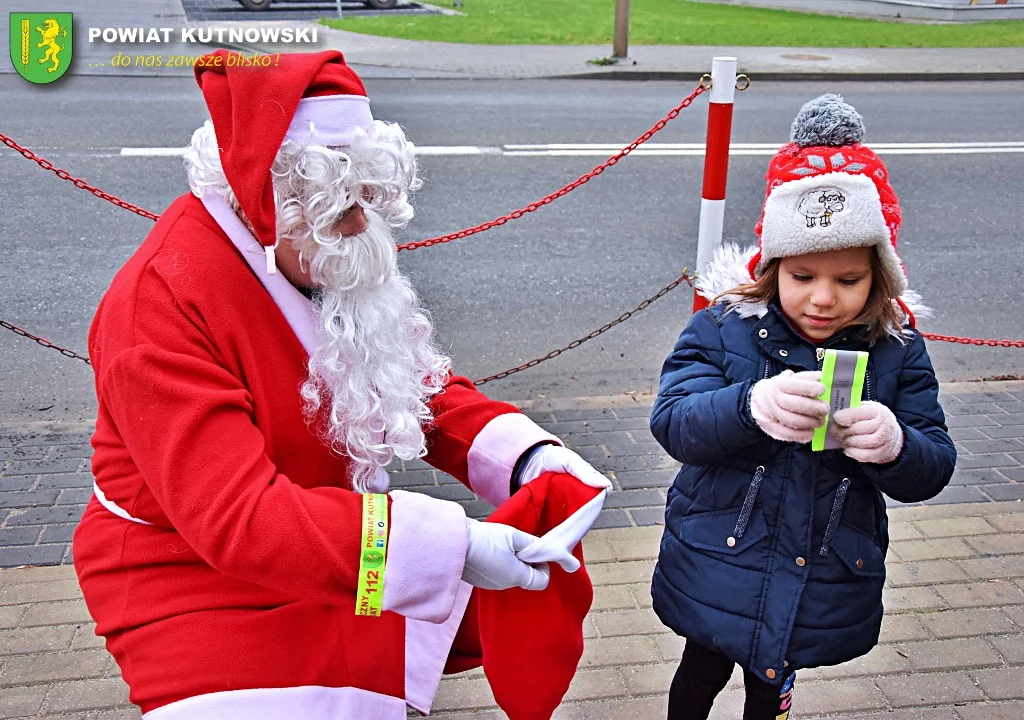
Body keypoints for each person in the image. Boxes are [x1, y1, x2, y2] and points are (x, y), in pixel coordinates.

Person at [73, 49, 609, 719]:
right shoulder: (160, 302)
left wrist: (528, 456)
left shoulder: (304, 252)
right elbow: (240, 520)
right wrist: (456, 545)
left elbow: (406, 382)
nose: (362, 227)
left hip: (309, 536)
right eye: (338, 211)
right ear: (263, 202)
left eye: (367, 202)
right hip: (180, 568)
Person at [649, 94, 956, 720]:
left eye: (848, 281)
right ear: (771, 267)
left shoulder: (895, 350)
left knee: (772, 687)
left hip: (818, 564)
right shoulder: (725, 328)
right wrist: (746, 406)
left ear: (880, 278)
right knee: (697, 675)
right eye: (802, 276)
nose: (822, 299)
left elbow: (934, 463)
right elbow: (674, 420)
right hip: (719, 557)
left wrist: (895, 446)